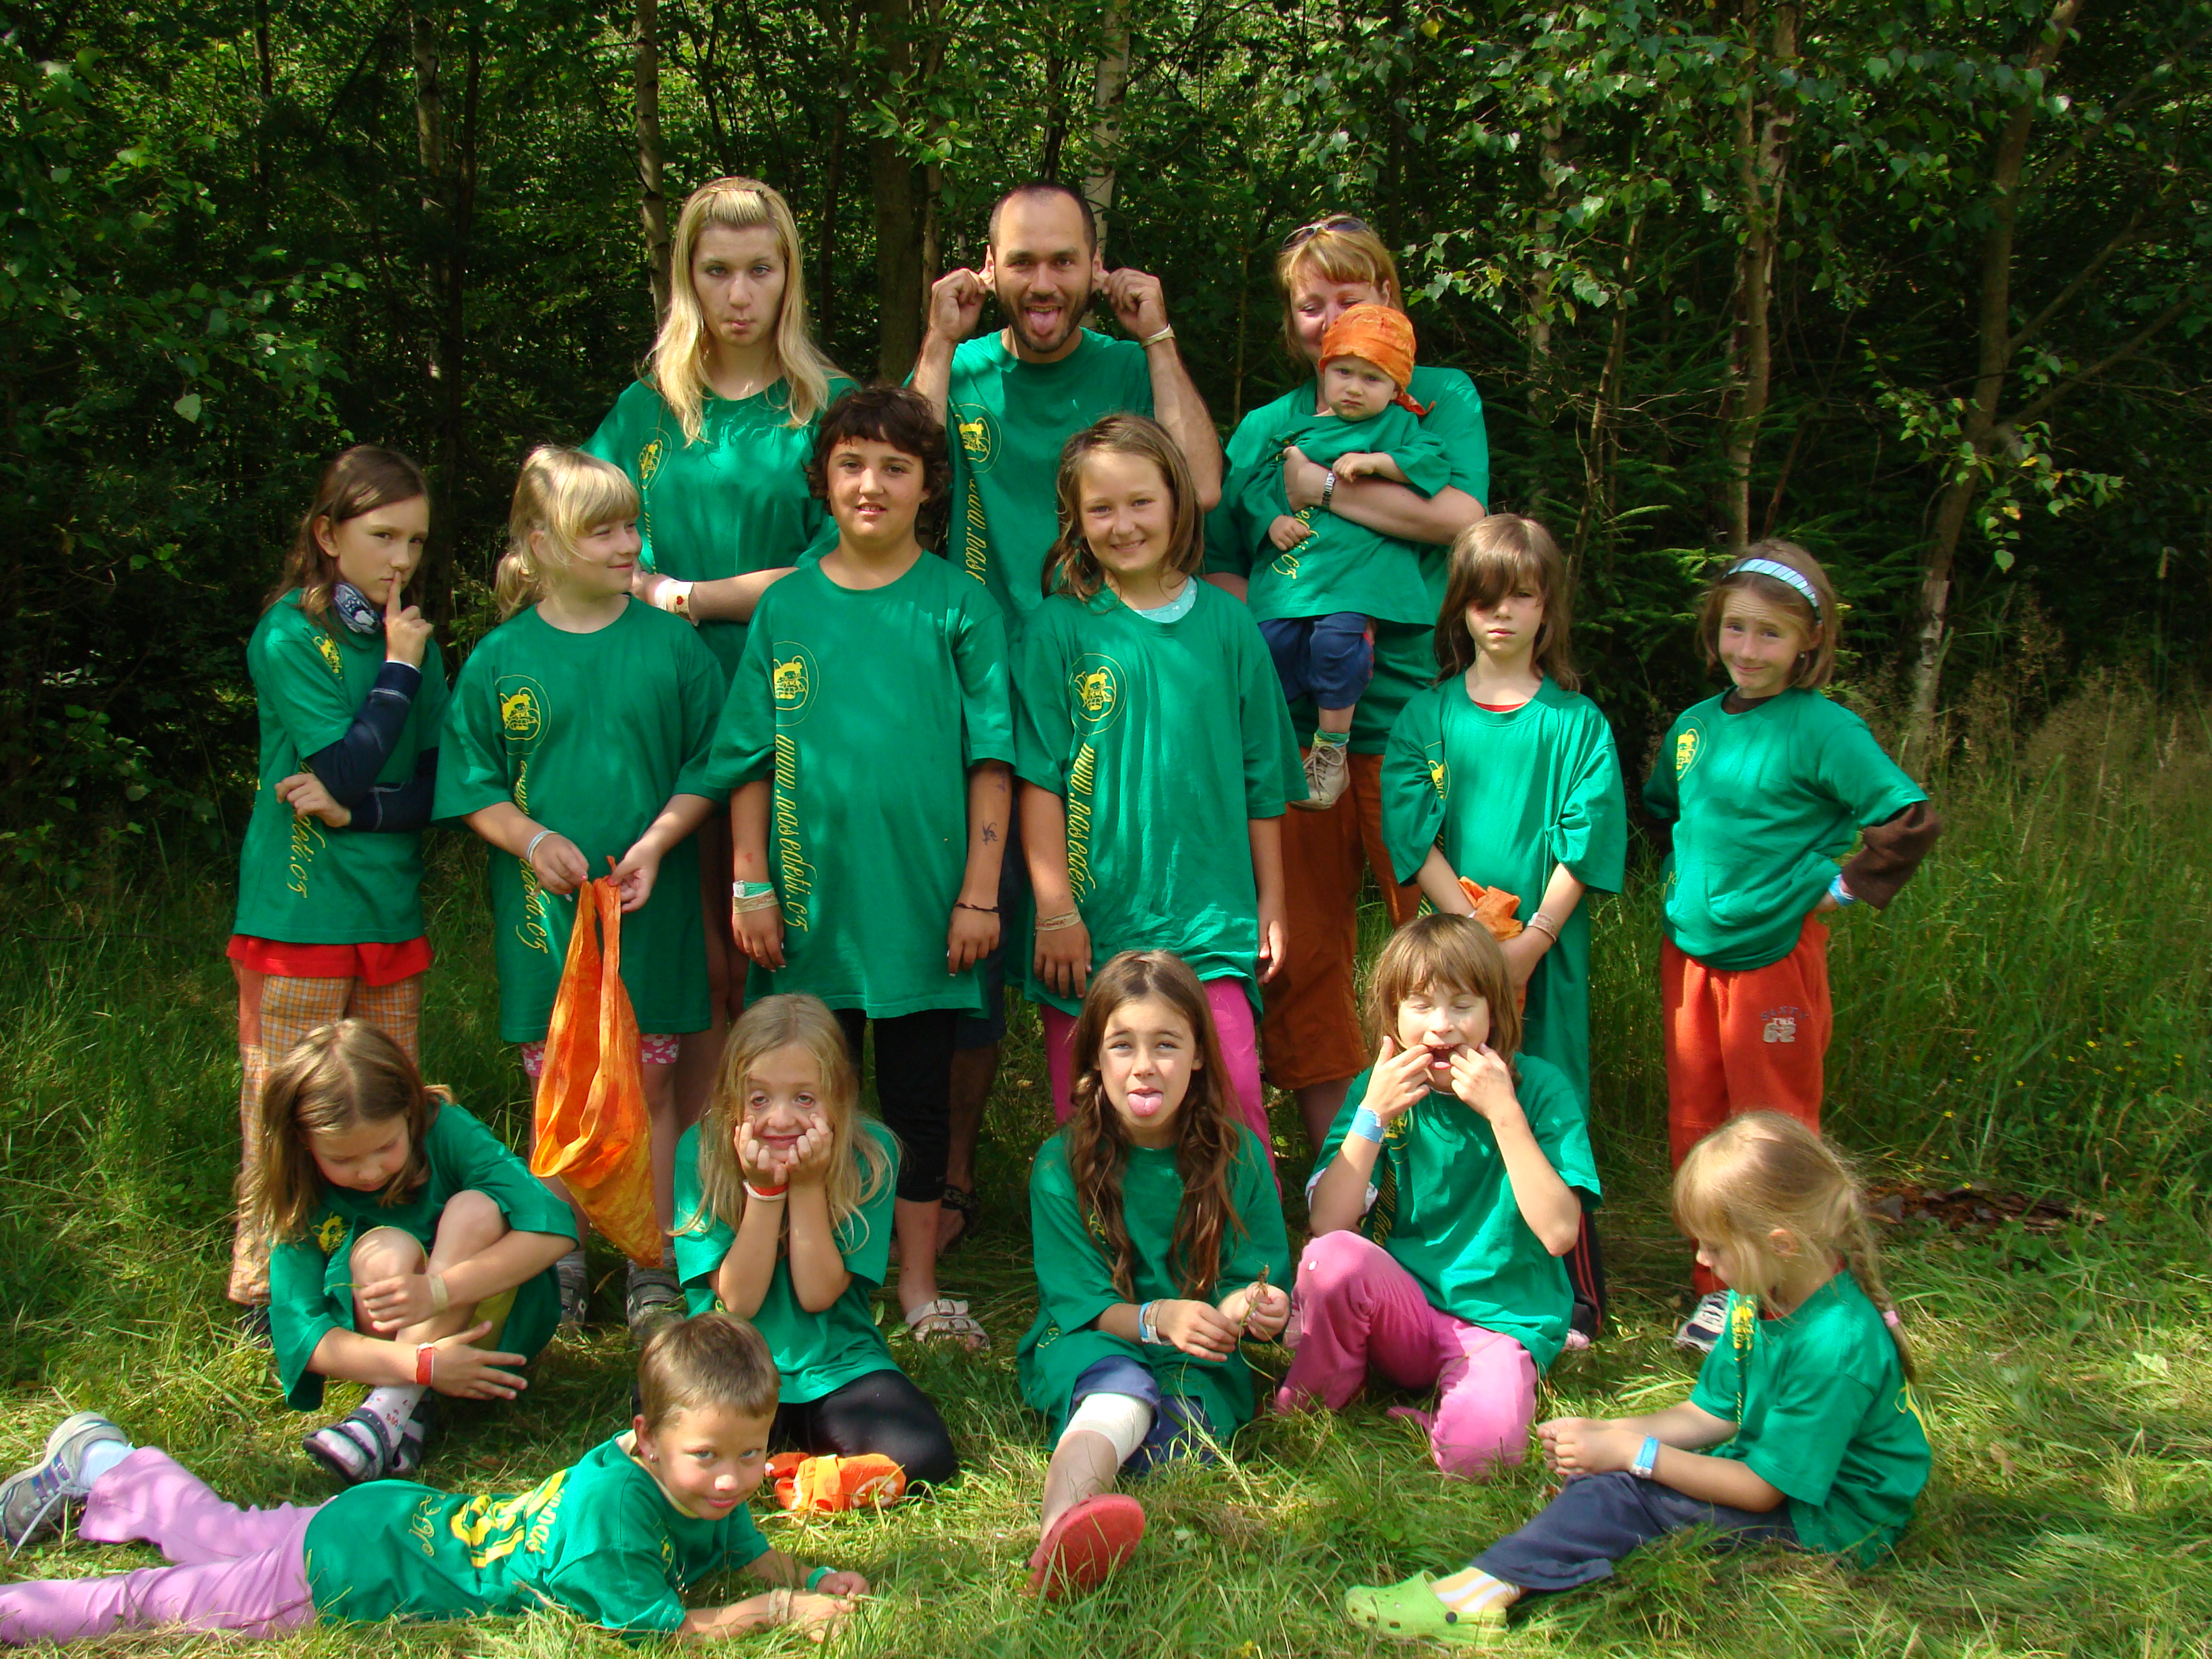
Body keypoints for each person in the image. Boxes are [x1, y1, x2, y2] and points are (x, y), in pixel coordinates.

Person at [912, 180, 1225, 1249]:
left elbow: (1204, 487)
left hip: (1101, 692)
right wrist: (936, 340)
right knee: (965, 954)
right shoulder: (965, 372)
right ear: (988, 270)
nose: (1042, 283)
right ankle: (952, 1179)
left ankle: (1155, 1179)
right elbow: (904, 475)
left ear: (1098, 268)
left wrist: (1162, 336)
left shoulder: (1130, 369)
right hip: (970, 697)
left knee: (1100, 940)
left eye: (1063, 260)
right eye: (1022, 262)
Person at [1342, 1112, 1929, 1643]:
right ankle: (1551, 1546)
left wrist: (1634, 1456)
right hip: (1777, 1478)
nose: (1702, 1261)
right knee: (1609, 1477)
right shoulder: (1763, 1291)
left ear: (1781, 1243)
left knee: (1622, 1494)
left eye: (1716, 1247)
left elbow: (1761, 1491)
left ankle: (1472, 1598)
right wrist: (1609, 1433)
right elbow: (1710, 1413)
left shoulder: (1835, 1345)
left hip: (1828, 1525)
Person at [703, 384, 1012, 1349]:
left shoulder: (960, 605)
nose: (870, 484)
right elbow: (749, 758)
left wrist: (979, 893)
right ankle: (801, 1280)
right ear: (822, 481)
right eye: (850, 464)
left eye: (894, 467)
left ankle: (916, 1289)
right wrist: (751, 881)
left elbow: (991, 761)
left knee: (917, 1104)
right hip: (808, 912)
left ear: (929, 486)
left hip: (924, 910)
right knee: (797, 1096)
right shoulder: (787, 606)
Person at [0, 1314, 870, 1644]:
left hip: (391, 1516)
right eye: (708, 1456)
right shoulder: (613, 1527)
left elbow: (743, 1548)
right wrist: (774, 1612)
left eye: (750, 1453)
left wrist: (813, 1575)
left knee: (222, 1532)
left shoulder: (693, 1480)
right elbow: (674, 1632)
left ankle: (108, 1465)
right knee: (156, 1604)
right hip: (358, 1571)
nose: (732, 1481)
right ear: (645, 1438)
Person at [1204, 213, 1489, 1155]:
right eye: (1309, 303)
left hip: (1416, 711)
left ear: (1389, 299)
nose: (1329, 319)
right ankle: (1343, 1167)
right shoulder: (1265, 425)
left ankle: (1455, 1161)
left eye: (1350, 296)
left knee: (1445, 941)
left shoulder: (1436, 397)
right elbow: (1225, 559)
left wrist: (1319, 488)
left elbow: (1460, 516)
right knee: (1304, 950)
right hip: (1292, 727)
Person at [583, 176, 858, 1129]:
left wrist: (683, 595)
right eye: (716, 272)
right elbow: (588, 533)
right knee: (694, 952)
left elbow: (836, 573)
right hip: (662, 704)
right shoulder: (647, 410)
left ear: (790, 278)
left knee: (781, 939)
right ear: (685, 279)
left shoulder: (828, 405)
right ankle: (708, 1165)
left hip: (796, 702)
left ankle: (798, 1149)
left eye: (760, 271)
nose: (739, 295)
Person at [436, 447, 727, 1335]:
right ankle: (557, 1262)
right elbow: (471, 780)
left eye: (631, 525)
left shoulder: (673, 647)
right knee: (559, 1093)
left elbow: (713, 763)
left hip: (650, 912)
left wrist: (658, 842)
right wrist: (531, 840)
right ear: (540, 542)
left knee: (653, 1088)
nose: (626, 544)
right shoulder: (501, 658)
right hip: (546, 926)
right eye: (600, 530)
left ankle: (654, 1261)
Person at [1645, 541, 1940, 1352]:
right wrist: (1688, 882)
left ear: (1809, 641)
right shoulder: (1694, 728)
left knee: (1772, 1129)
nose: (1748, 650)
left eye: (1770, 634)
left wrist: (1840, 886)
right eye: (1735, 628)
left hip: (1773, 958)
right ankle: (1718, 1287)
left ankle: (1794, 1291)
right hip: (1690, 957)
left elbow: (1908, 819)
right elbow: (1667, 810)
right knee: (1697, 1121)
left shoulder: (1824, 729)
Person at [1016, 415, 1303, 1158]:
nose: (1124, 525)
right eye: (1101, 508)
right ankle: (1098, 1240)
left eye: (1141, 502)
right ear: (1075, 520)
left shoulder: (1230, 625)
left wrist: (1272, 900)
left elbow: (1262, 782)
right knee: (1093, 1121)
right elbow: (1038, 780)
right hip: (1092, 927)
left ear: (1177, 499)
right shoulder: (1055, 631)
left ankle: (1243, 1235)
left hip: (1210, 921)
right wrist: (1055, 910)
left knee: (1232, 1105)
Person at [1380, 514, 1626, 1334]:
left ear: (1548, 607)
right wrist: (1480, 946)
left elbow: (1587, 840)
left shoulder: (1577, 723)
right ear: (1460, 607)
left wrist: (1532, 942)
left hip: (1546, 955)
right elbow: (1411, 834)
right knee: (1447, 1100)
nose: (1502, 613)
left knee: (1547, 1090)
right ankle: (1448, 1274)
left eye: (1521, 595)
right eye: (1485, 597)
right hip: (1452, 963)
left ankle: (1574, 1291)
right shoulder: (1425, 717)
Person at [225, 445, 448, 1328]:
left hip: (388, 911)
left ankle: (373, 1277)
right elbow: (343, 765)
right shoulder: (289, 635)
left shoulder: (414, 642)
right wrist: (398, 670)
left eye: (416, 542)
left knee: (388, 1108)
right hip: (300, 912)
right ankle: (264, 1288)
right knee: (285, 1107)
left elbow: (435, 788)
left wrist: (361, 813)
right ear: (328, 534)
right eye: (383, 536)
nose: (401, 560)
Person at [1279, 914, 1598, 1481]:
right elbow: (1328, 1222)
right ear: (1394, 1016)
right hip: (1402, 1313)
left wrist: (1503, 1112)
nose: (1442, 1026)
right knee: (1331, 1260)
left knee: (1482, 1455)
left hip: (1499, 1324)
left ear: (1495, 1011)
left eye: (1463, 1005)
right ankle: (1322, 1394)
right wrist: (1373, 1116)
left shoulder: (1541, 1088)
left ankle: (1452, 1413)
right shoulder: (1378, 1088)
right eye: (1421, 1006)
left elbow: (1559, 1233)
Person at [1017, 952, 1291, 1599]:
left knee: (1176, 1445)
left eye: (1166, 1044)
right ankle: (1056, 1537)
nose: (1144, 1065)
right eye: (1123, 1046)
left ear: (1197, 1056)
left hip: (1197, 1361)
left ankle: (1100, 1512)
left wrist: (1253, 1306)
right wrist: (1156, 1317)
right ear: (1096, 1058)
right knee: (1120, 1395)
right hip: (1095, 1341)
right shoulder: (1061, 1165)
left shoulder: (1237, 1155)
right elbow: (1082, 1303)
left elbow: (1255, 1279)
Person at [243, 1021, 575, 1483]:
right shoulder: (299, 1189)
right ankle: (408, 1401)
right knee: (385, 1248)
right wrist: (424, 1365)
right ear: (302, 1140)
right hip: (390, 1347)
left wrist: (439, 1291)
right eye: (342, 1159)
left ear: (410, 1112)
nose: (368, 1171)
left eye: (386, 1147)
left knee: (476, 1208)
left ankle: (388, 1409)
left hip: (491, 1333)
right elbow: (301, 1335)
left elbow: (555, 1228)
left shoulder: (445, 1128)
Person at [674, 994, 960, 1490]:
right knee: (661, 1423)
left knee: (923, 1455)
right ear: (731, 1099)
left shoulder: (872, 1153)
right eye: (759, 1099)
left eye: (804, 1099)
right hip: (729, 1361)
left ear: (838, 1098)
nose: (781, 1119)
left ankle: (801, 1478)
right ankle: (778, 1462)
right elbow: (739, 1302)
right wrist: (764, 1192)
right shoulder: (700, 1149)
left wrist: (807, 1186)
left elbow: (817, 1293)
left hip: (838, 1364)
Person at [1242, 304, 1451, 808]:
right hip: (1297, 579)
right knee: (1269, 648)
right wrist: (1271, 521)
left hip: (1359, 577)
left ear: (1396, 388)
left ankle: (1331, 750)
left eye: (1372, 379)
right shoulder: (1297, 430)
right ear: (1324, 372)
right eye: (1343, 373)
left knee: (1336, 644)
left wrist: (1380, 463)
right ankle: (1273, 749)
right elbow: (1256, 487)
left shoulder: (1399, 426)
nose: (1355, 388)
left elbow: (1433, 464)